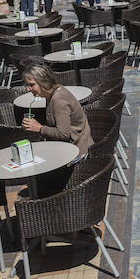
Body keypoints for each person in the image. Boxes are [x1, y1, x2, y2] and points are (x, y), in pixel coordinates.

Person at [20, 63, 94, 196]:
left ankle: (49, 205)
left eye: (31, 85)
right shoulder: (51, 95)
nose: (28, 89)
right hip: (69, 147)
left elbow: (64, 134)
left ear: (43, 81)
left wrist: (40, 128)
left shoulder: (58, 100)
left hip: (78, 153)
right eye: (27, 85)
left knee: (38, 176)